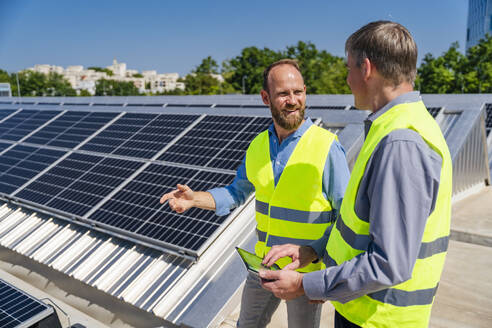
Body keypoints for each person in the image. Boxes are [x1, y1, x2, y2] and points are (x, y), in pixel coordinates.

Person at [260, 21, 452, 328]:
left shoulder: (400, 141)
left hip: (379, 319)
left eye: (348, 68)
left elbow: (389, 263)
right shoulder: (397, 127)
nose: (347, 79)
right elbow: (361, 228)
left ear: (366, 68)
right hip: (365, 309)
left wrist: (303, 285)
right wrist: (313, 251)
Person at [160, 59, 350, 328]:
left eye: (298, 92)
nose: (293, 100)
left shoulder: (327, 147)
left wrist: (314, 252)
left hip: (304, 272)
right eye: (284, 94)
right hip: (263, 263)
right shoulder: (258, 146)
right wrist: (195, 199)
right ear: (265, 97)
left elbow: (346, 218)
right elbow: (235, 192)